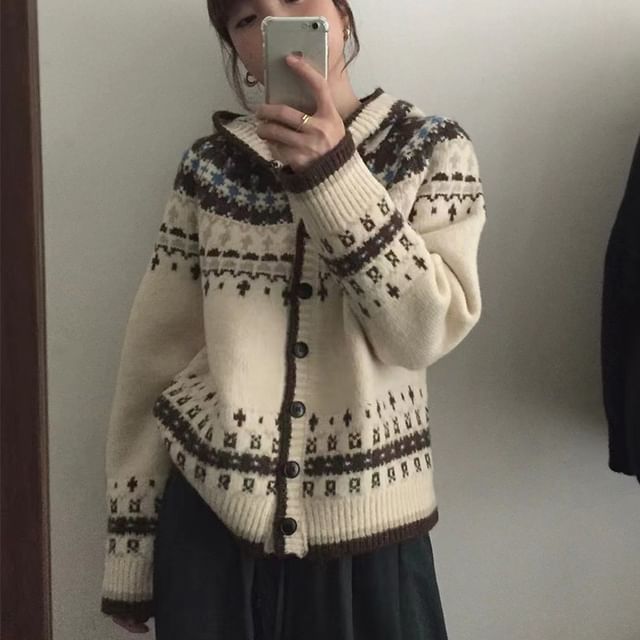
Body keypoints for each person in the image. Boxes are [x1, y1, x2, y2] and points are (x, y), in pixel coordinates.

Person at [99, 0, 487, 637]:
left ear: (343, 16)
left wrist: (334, 175)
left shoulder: (432, 150)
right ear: (239, 54)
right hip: (210, 527)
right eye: (246, 19)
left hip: (369, 531)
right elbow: (153, 359)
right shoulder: (210, 169)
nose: (273, 25)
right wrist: (131, 548)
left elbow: (423, 332)